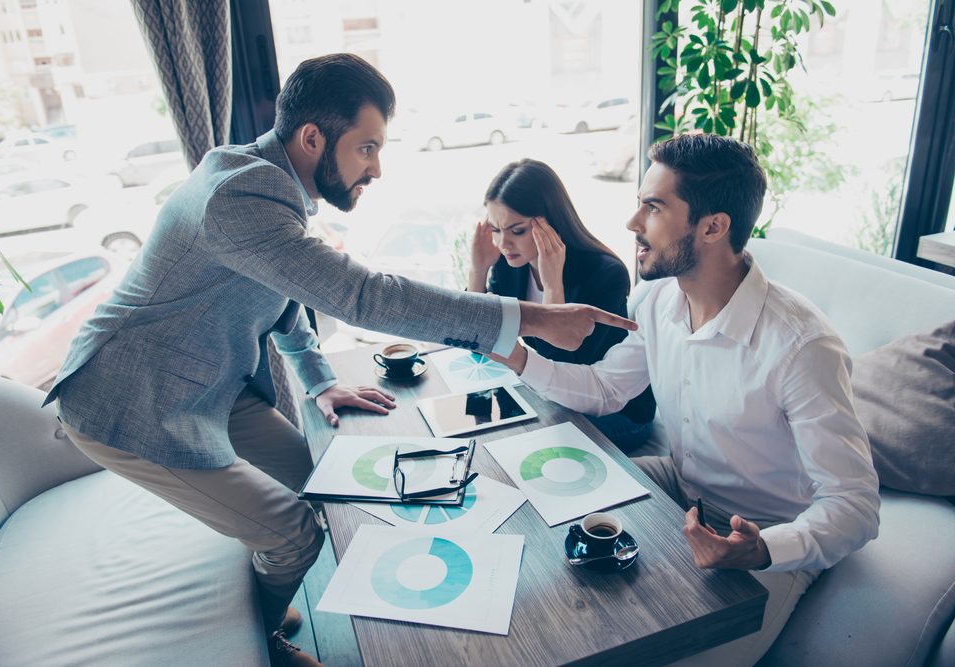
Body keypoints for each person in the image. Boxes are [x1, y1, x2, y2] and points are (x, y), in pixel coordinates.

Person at [44, 53, 633, 667]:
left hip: (208, 384)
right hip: (132, 401)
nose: (376, 168)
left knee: (326, 479)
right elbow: (362, 296)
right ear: (312, 138)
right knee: (295, 535)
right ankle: (261, 643)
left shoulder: (266, 182)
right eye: (367, 148)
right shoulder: (242, 194)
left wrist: (319, 379)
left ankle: (258, 599)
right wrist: (534, 317)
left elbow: (281, 294)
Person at [490, 134, 880, 666]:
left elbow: (855, 505)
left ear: (713, 227)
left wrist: (763, 549)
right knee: (540, 500)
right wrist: (517, 355)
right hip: (681, 485)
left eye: (653, 208)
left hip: (765, 531)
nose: (632, 223)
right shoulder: (656, 298)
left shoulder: (802, 346)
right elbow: (606, 389)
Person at [467, 158, 656, 450]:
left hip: (619, 411)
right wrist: (477, 270)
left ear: (551, 223)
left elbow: (563, 369)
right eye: (496, 229)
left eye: (517, 231)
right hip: (551, 395)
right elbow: (477, 346)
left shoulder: (605, 274)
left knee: (520, 443)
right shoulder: (508, 266)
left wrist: (553, 286)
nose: (503, 244)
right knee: (482, 426)